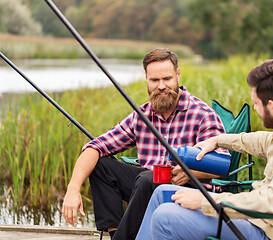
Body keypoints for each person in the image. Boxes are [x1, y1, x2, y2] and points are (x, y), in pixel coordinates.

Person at [136, 59, 273, 240]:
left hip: (268, 231)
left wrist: (207, 200)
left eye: (257, 104)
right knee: (162, 193)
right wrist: (219, 140)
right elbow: (264, 141)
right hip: (255, 219)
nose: (255, 109)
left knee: (165, 217)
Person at [61, 48, 228, 240]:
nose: (162, 86)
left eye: (167, 79)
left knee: (148, 179)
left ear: (178, 75)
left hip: (188, 192)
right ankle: (115, 233)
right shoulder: (141, 116)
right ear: (146, 79)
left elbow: (222, 164)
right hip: (145, 187)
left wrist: (190, 172)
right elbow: (95, 146)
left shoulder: (202, 114)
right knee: (101, 165)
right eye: (155, 80)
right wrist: (73, 190)